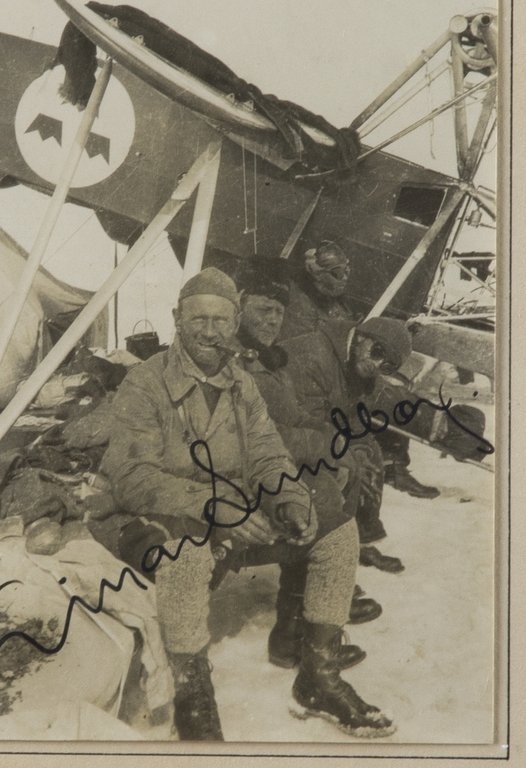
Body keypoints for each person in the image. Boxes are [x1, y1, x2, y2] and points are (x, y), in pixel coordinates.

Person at [100, 268, 394, 742]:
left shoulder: (242, 384)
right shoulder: (144, 384)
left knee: (336, 529)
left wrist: (290, 497)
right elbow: (132, 480)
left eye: (221, 320)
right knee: (186, 553)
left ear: (235, 323)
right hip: (153, 517)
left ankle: (318, 677)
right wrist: (216, 508)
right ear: (177, 318)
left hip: (230, 510)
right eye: (199, 319)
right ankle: (194, 701)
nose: (211, 332)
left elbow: (268, 453)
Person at [233, 257, 383, 630]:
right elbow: (252, 435)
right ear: (238, 303)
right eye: (264, 309)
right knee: (321, 497)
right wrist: (322, 448)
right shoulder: (233, 363)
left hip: (266, 466)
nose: (273, 321)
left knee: (342, 467)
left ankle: (305, 608)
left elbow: (293, 417)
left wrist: (335, 443)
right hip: (234, 477)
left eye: (279, 312)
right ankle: (299, 620)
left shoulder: (266, 362)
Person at [284, 315, 416, 575]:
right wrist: (349, 453)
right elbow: (308, 423)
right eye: (377, 352)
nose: (376, 365)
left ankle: (358, 539)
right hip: (283, 437)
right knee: (336, 472)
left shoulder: (352, 360)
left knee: (370, 456)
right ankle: (322, 570)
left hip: (319, 435)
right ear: (361, 337)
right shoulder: (314, 355)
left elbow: (354, 415)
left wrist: (361, 449)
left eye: (387, 365)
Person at [279, 241, 354, 341]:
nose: (344, 278)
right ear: (317, 274)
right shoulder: (298, 304)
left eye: (346, 271)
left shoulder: (339, 305)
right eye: (338, 272)